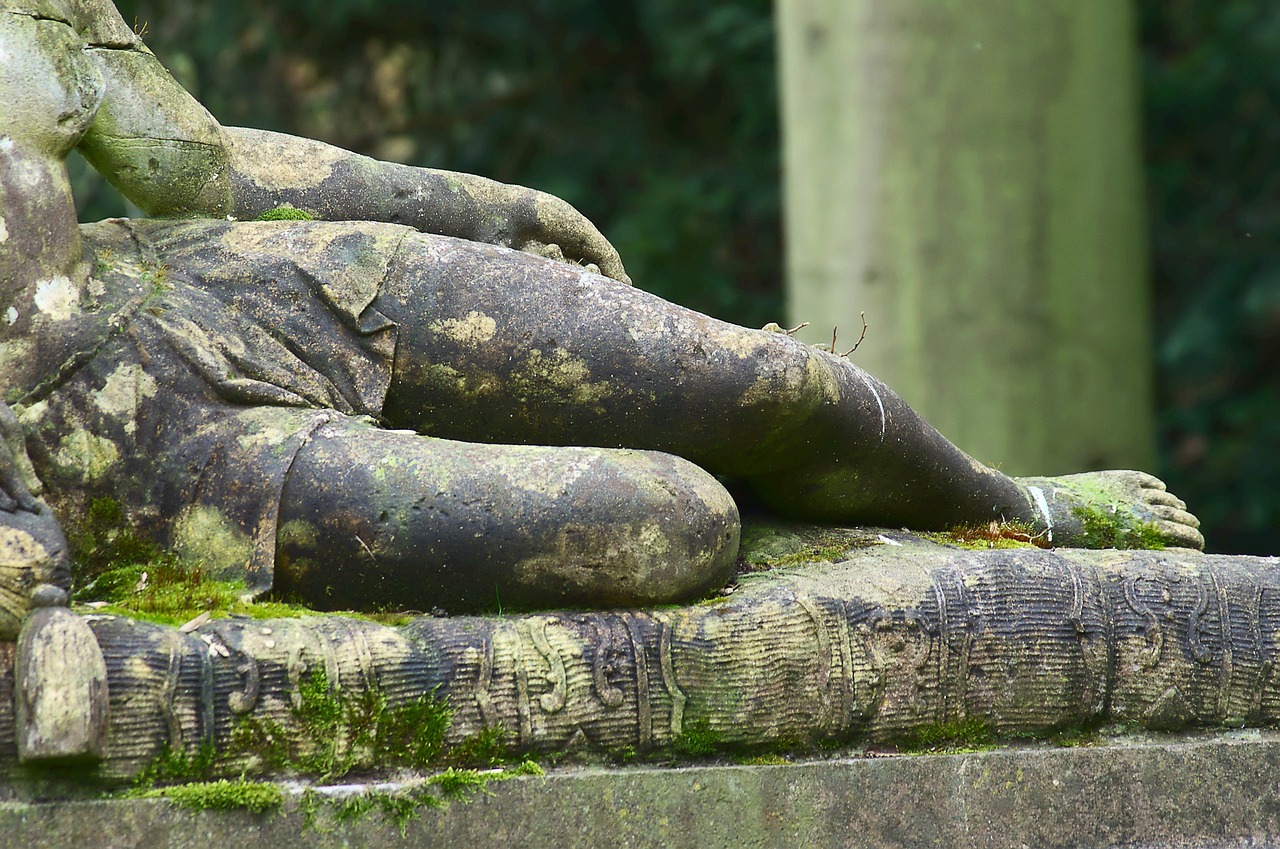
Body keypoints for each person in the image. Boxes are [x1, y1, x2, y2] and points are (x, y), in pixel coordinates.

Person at [0, 0, 1202, 622]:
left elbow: (190, 166)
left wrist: (475, 205)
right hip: (124, 460)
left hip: (217, 285)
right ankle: (800, 525)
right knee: (669, 522)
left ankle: (1009, 505)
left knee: (767, 384)